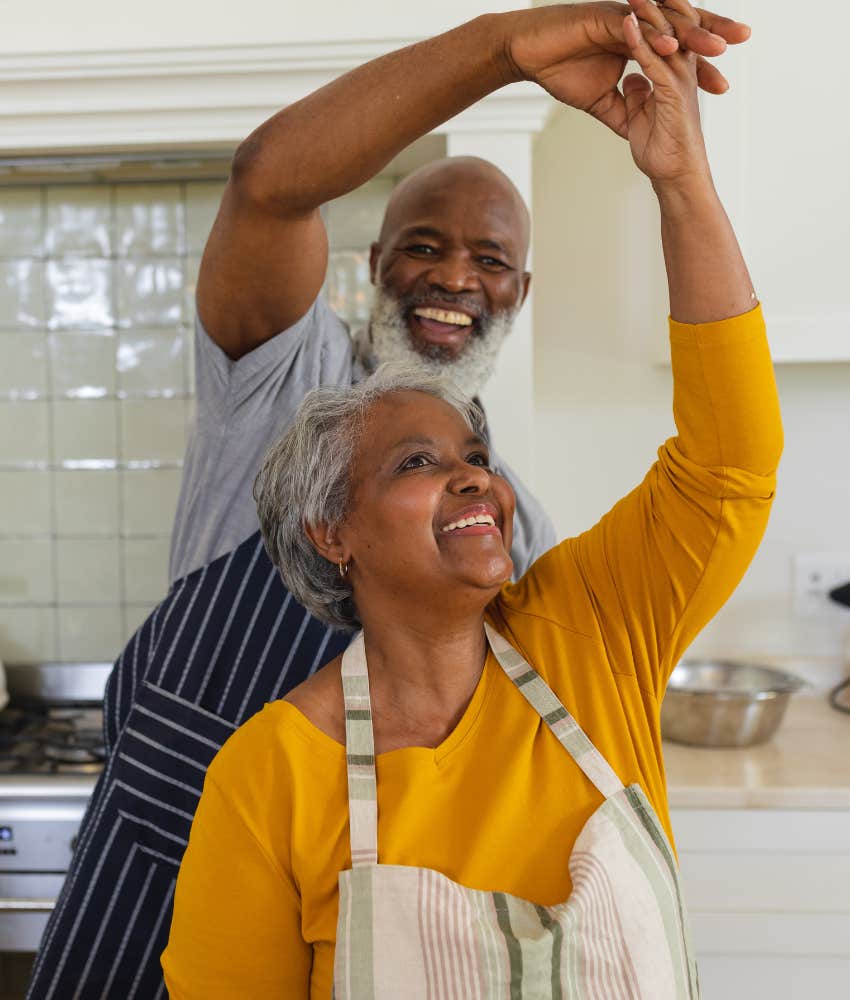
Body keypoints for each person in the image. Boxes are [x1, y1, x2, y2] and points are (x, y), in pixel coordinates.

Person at [26, 2, 752, 997]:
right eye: (422, 244)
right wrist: (502, 50)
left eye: (488, 259)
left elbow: (725, 466)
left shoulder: (507, 525)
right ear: (372, 266)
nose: (453, 275)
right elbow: (270, 186)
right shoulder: (293, 385)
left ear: (520, 291)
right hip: (148, 877)